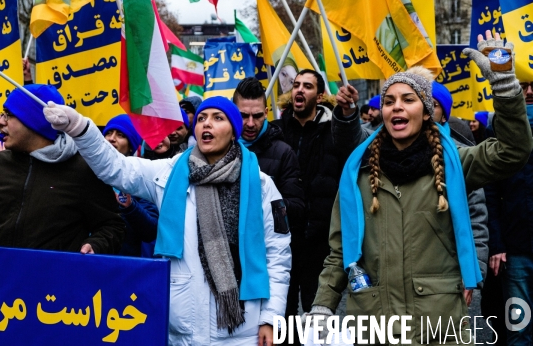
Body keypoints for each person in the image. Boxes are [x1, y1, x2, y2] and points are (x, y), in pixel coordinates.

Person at [305, 32, 532, 343]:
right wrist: (323, 304)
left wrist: (505, 88)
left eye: (408, 99)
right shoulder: (358, 172)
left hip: (439, 328)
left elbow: (513, 151)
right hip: (373, 327)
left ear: (427, 112)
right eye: (389, 101)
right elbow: (340, 250)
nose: (396, 107)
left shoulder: (456, 162)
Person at [43, 96, 291, 345]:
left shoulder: (261, 185)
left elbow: (277, 256)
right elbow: (115, 168)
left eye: (218, 118)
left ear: (233, 131)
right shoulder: (168, 174)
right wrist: (80, 128)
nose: (207, 124)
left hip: (243, 331)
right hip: (181, 328)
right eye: (202, 118)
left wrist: (271, 318)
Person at [0, 84, 125, 254]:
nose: (0, 122)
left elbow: (111, 225)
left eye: (9, 115)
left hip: (51, 289)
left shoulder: (82, 169)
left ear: (34, 122)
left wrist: (96, 244)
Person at [273, 68, 356, 314]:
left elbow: (354, 142)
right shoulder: (275, 131)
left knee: (315, 311)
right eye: (296, 85)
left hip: (319, 241)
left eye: (307, 86)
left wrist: (348, 112)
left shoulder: (333, 132)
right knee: (281, 313)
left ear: (319, 97)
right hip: (282, 239)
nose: (299, 89)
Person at [233, 78, 305, 334]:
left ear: (267, 113)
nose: (250, 124)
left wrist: (263, 201)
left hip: (270, 264)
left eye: (257, 116)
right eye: (243, 116)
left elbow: (297, 208)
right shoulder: (217, 150)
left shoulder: (283, 152)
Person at [431, 79, 489, 307]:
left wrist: (474, 273)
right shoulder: (388, 151)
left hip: (449, 274)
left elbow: (476, 217)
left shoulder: (459, 156)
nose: (425, 108)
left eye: (432, 104)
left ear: (444, 115)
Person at [484, 78, 533, 345]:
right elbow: (489, 192)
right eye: (523, 86)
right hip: (515, 252)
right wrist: (497, 244)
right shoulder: (497, 131)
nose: (529, 92)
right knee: (518, 330)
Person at [103, 114, 158, 257]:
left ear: (131, 146)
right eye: (108, 133)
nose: (111, 138)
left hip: (124, 265)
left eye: (120, 135)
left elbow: (150, 230)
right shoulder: (86, 172)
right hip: (87, 260)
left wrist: (130, 207)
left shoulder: (140, 177)